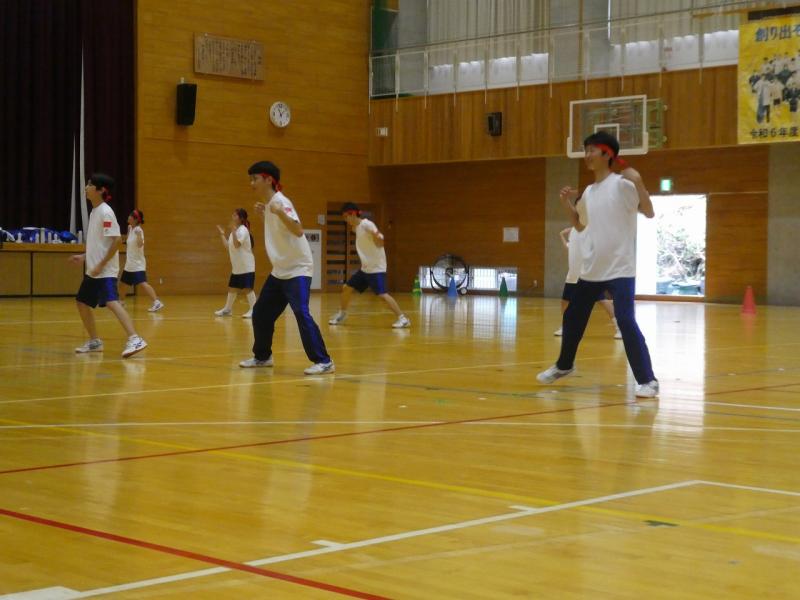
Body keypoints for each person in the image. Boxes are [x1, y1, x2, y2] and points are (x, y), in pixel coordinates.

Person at [537, 132, 658, 398]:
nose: (587, 155)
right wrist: (566, 204)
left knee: (625, 320)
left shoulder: (623, 185)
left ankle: (648, 380)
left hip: (620, 269)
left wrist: (639, 182)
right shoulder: (589, 193)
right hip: (592, 269)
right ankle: (564, 365)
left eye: (592, 150)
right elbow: (580, 226)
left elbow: (649, 212)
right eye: (586, 150)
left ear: (607, 154)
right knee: (573, 317)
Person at [238, 161, 334, 375]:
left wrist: (280, 213)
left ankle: (324, 361)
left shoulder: (281, 202)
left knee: (301, 312)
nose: (251, 183)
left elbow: (298, 230)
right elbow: (281, 230)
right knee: (261, 313)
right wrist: (266, 215)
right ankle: (263, 357)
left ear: (268, 179)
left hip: (298, 269)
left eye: (255, 179)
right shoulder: (271, 204)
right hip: (280, 271)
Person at [69, 173, 147, 358]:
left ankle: (135, 338)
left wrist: (101, 264)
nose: (86, 188)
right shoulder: (95, 211)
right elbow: (100, 244)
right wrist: (85, 257)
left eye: (90, 185)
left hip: (104, 271)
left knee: (112, 302)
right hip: (94, 270)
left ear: (100, 190)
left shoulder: (106, 212)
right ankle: (95, 341)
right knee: (82, 302)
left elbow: (116, 241)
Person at [328, 202, 410, 329]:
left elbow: (379, 240)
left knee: (382, 294)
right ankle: (342, 314)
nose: (345, 220)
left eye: (346, 217)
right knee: (347, 288)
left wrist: (378, 237)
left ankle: (403, 319)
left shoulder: (366, 224)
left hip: (376, 268)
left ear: (352, 214)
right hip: (365, 268)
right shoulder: (356, 228)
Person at [554, 226, 620, 339]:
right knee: (565, 302)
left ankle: (619, 328)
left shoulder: (591, 234)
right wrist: (561, 235)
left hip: (588, 276)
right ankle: (565, 327)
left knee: (603, 301)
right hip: (572, 277)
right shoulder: (574, 237)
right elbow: (568, 248)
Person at [118, 209, 164, 312]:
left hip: (137, 264)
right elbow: (128, 241)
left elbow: (140, 244)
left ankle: (157, 302)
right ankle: (121, 302)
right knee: (122, 284)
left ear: (135, 220)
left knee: (143, 283)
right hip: (129, 264)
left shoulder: (139, 230)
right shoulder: (130, 228)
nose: (128, 217)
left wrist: (138, 234)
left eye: (130, 216)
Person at [215, 208, 257, 318]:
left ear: (241, 218)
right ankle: (227, 309)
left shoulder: (243, 230)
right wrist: (222, 234)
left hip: (246, 266)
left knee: (248, 289)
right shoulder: (235, 231)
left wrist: (233, 231)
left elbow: (237, 245)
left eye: (235, 215)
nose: (232, 217)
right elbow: (228, 247)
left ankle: (254, 310)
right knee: (232, 288)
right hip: (237, 267)